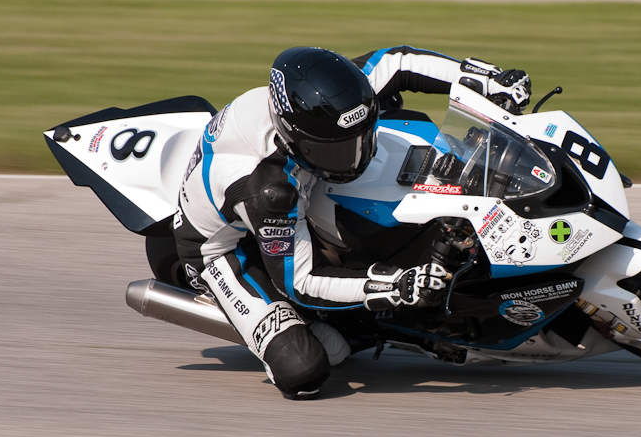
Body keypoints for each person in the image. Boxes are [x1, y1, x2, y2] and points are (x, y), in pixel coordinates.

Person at [173, 46, 531, 400]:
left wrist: (486, 80)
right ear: (296, 139)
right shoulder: (271, 190)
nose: (357, 158)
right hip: (225, 251)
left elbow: (396, 62)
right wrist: (394, 285)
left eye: (362, 139)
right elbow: (299, 282)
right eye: (336, 151)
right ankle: (304, 322)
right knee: (306, 368)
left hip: (280, 197)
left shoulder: (329, 102)